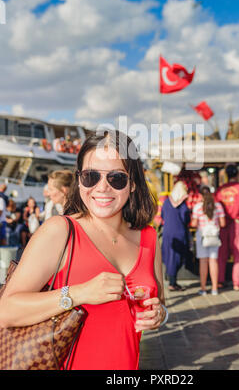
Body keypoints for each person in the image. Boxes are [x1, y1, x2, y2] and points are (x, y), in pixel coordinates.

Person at [0, 130, 167, 370]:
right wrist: (79, 293)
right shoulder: (60, 231)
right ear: (79, 181)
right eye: (91, 177)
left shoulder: (149, 238)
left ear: (132, 184)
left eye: (116, 178)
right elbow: (6, 310)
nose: (102, 188)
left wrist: (160, 314)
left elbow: (157, 302)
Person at [215, 164, 239, 291]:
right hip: (238, 224)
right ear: (237, 174)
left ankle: (220, 281)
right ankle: (237, 282)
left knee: (221, 254)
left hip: (223, 224)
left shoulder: (220, 189)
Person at [191, 187, 225, 296]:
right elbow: (223, 223)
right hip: (214, 236)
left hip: (202, 236)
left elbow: (194, 224)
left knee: (203, 262)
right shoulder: (218, 206)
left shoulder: (197, 207)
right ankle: (214, 289)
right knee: (213, 261)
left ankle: (203, 288)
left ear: (200, 196)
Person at [161, 181, 190, 291]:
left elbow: (163, 215)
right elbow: (185, 218)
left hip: (167, 232)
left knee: (170, 256)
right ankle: (173, 283)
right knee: (177, 257)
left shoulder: (167, 201)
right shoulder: (182, 204)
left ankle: (173, 281)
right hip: (179, 233)